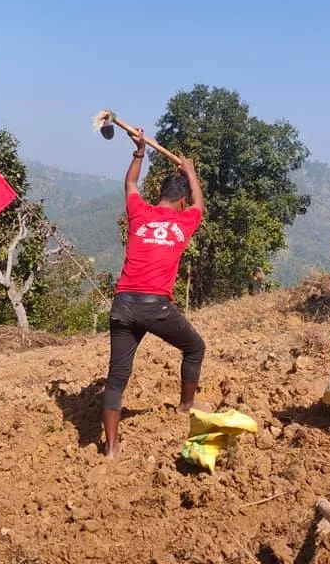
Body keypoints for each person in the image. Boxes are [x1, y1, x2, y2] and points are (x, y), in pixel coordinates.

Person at [100, 126, 206, 459]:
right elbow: (200, 204)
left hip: (122, 305)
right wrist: (191, 173)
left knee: (116, 377)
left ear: (158, 194)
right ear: (183, 200)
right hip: (155, 307)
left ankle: (112, 448)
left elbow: (130, 183)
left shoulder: (139, 213)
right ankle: (185, 406)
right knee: (195, 347)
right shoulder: (185, 222)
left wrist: (139, 151)